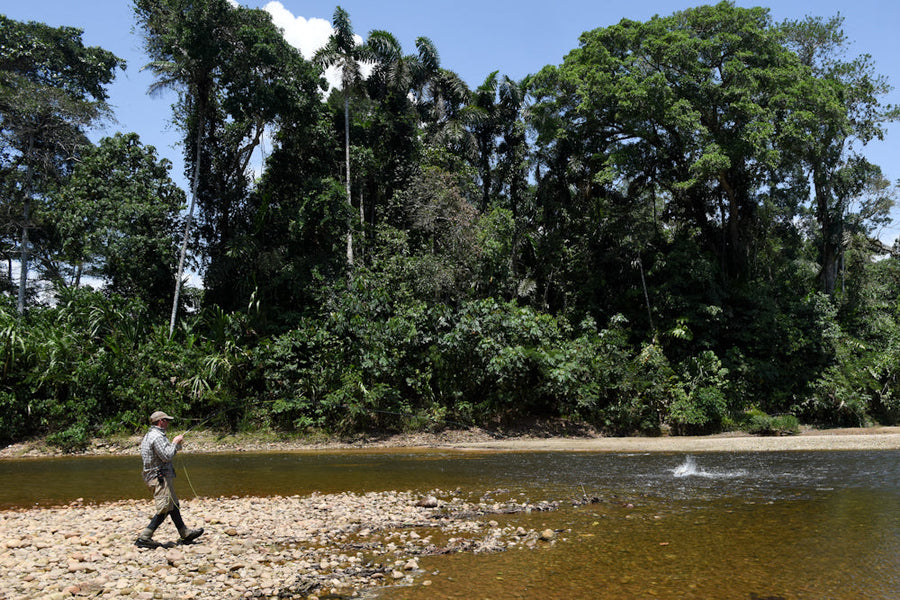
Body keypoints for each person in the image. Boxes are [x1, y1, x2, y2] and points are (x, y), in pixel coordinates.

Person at [135, 410, 204, 549]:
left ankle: (185, 533)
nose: (168, 423)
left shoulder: (150, 435)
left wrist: (176, 445)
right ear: (161, 421)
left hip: (158, 476)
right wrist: (175, 442)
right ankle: (144, 537)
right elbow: (166, 456)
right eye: (167, 420)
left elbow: (166, 453)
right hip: (159, 477)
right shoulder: (157, 437)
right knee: (165, 508)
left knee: (173, 504)